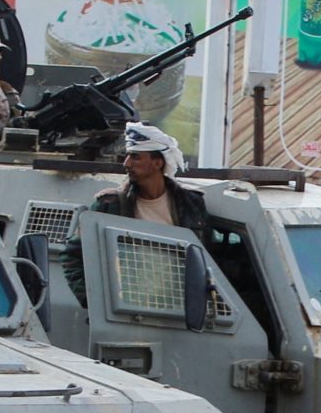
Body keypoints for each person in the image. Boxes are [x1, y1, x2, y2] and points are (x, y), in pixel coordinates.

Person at [57, 122, 211, 303]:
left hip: (179, 310)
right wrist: (93, 301)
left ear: (157, 163)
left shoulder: (191, 203)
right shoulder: (109, 205)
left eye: (135, 157)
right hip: (126, 312)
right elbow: (72, 256)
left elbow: (209, 259)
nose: (126, 163)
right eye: (128, 156)